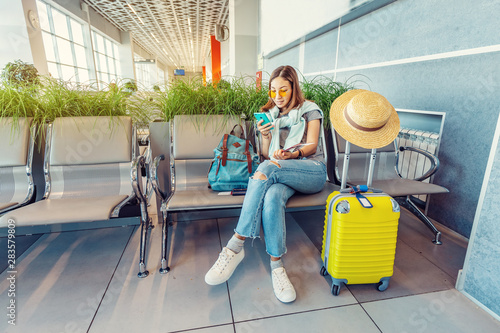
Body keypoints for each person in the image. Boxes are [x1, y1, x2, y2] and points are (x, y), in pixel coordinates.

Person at [204, 65, 327, 303]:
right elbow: (264, 154)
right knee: (271, 197)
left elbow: (311, 145)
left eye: (283, 90)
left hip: (311, 171)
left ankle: (235, 245)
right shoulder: (270, 114)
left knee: (268, 169)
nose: (277, 96)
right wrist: (266, 136)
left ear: (294, 88)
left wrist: (290, 155)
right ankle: (277, 267)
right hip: (281, 172)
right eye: (273, 91)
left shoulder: (310, 110)